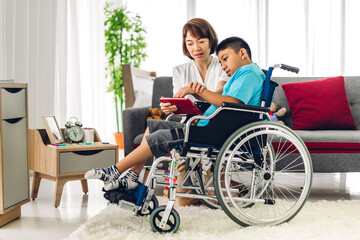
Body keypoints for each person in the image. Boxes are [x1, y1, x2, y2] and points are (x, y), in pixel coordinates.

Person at [85, 36, 265, 195]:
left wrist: (201, 92)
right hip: (207, 125)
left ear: (242, 53)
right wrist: (196, 96)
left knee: (159, 137)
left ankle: (114, 170)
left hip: (214, 131)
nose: (223, 65)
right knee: (154, 126)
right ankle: (131, 175)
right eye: (221, 61)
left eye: (225, 59)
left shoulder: (248, 73)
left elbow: (231, 103)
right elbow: (224, 102)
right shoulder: (242, 74)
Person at [160, 18, 229, 115]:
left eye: (201, 42)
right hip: (190, 120)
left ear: (211, 41)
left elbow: (220, 95)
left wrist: (197, 92)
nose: (196, 48)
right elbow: (179, 106)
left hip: (213, 119)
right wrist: (171, 108)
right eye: (190, 43)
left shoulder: (224, 65)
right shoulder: (179, 71)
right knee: (150, 127)